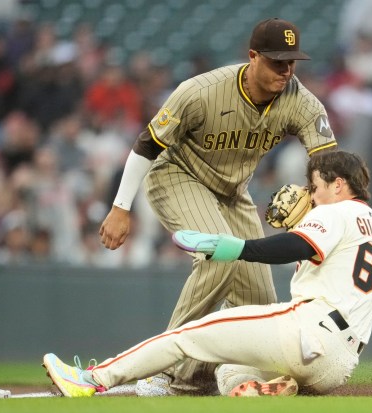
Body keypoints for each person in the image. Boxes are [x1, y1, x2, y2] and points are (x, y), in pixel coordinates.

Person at [43, 150, 372, 397]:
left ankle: (92, 380)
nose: (310, 194)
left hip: (309, 329)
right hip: (338, 366)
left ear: (339, 185)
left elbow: (297, 246)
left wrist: (237, 247)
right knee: (230, 370)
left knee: (186, 336)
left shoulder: (335, 211)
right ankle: (270, 391)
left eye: (316, 186)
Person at [97, 18, 337, 395]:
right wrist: (120, 206)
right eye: (277, 61)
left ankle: (197, 377)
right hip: (178, 175)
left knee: (259, 302)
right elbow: (147, 144)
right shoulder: (202, 91)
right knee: (219, 257)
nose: (286, 70)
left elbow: (328, 162)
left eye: (291, 62)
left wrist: (323, 202)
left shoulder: (301, 102)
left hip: (232, 192)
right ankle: (164, 370)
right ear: (253, 57)